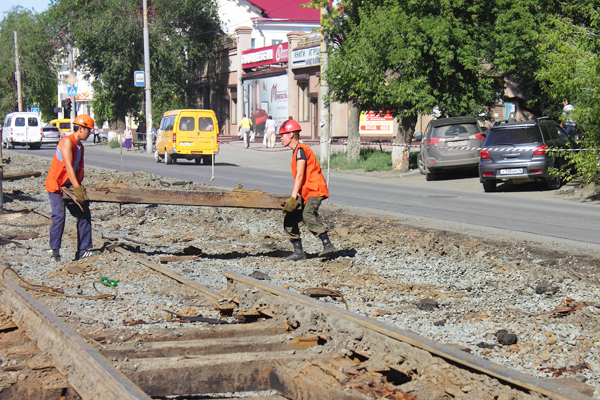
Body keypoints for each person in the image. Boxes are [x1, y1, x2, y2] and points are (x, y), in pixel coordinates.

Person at [278, 119, 337, 260]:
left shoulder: (301, 150)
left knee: (308, 215)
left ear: (291, 134)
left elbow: (300, 175)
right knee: (290, 220)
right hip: (307, 193)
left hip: (314, 190)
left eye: (283, 135)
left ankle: (328, 244)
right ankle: (299, 252)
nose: (281, 138)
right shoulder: (297, 151)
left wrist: (293, 198)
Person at [45, 114, 99, 263]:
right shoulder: (67, 142)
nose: (90, 133)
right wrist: (78, 190)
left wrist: (77, 187)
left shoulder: (80, 146)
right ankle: (54, 251)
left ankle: (83, 250)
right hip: (57, 186)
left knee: (84, 213)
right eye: (89, 130)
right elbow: (69, 167)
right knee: (59, 217)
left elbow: (77, 169)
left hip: (68, 186)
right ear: (81, 128)